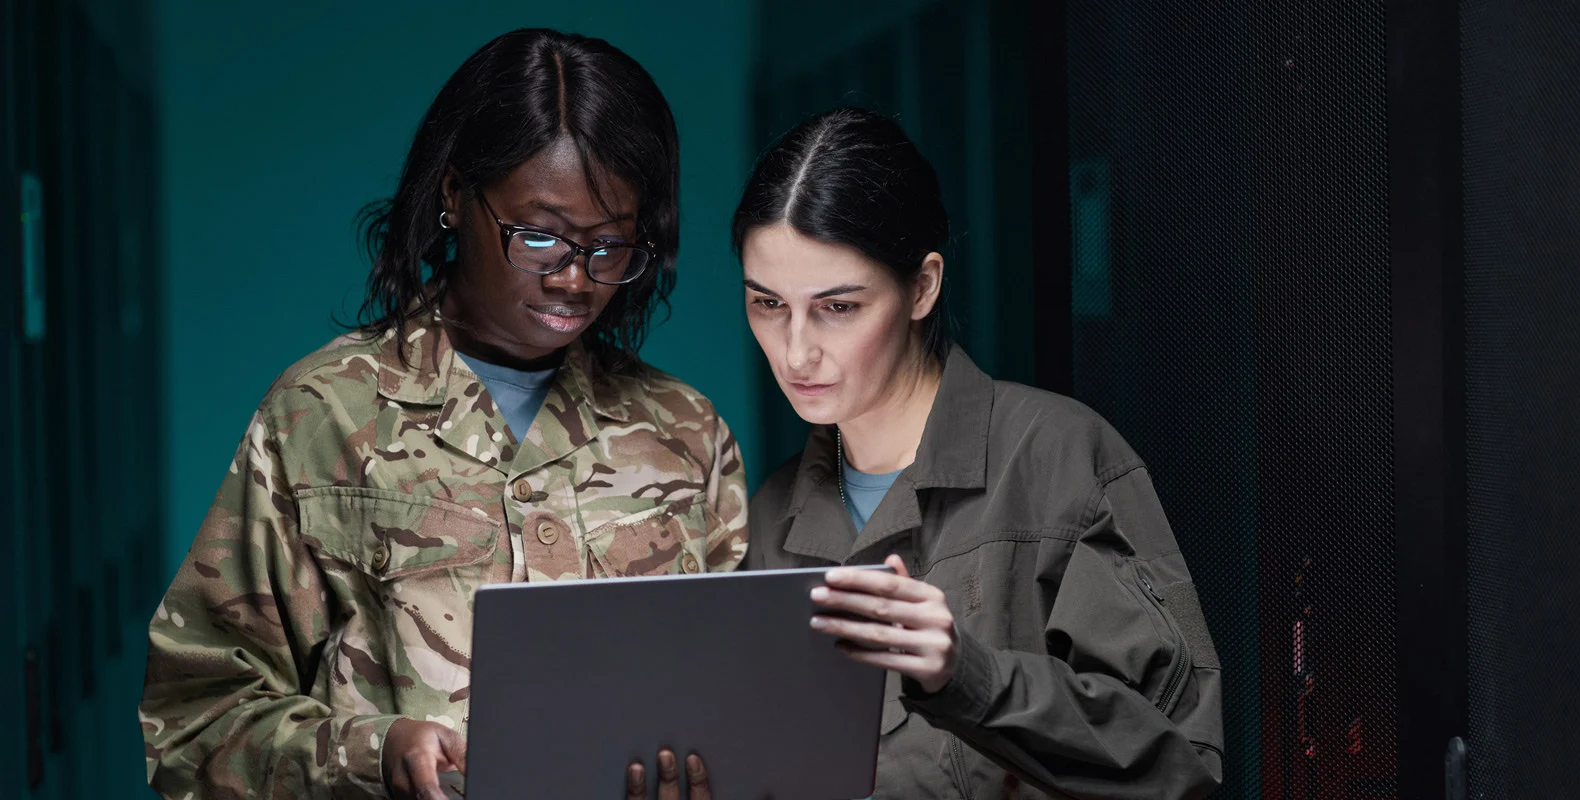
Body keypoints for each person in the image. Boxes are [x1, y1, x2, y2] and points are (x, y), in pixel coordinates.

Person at [140, 29, 747, 800]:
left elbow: (738, 708)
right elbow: (195, 720)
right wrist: (374, 754)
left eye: (610, 247)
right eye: (540, 237)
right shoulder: (323, 414)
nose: (575, 280)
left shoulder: (686, 434)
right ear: (456, 196)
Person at [735, 108, 1225, 799]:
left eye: (838, 307)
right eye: (767, 304)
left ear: (923, 287)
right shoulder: (769, 522)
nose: (795, 351)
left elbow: (1182, 766)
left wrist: (968, 675)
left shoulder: (1059, 458)